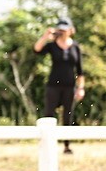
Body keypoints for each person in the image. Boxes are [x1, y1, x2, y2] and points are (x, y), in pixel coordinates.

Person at [33, 18, 85, 154]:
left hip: (69, 86)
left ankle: (67, 146)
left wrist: (80, 88)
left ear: (70, 30)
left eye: (64, 29)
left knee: (68, 115)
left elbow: (80, 71)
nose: (62, 32)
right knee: (49, 115)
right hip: (53, 86)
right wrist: (45, 36)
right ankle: (47, 144)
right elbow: (37, 49)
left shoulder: (75, 47)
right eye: (60, 29)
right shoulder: (52, 46)